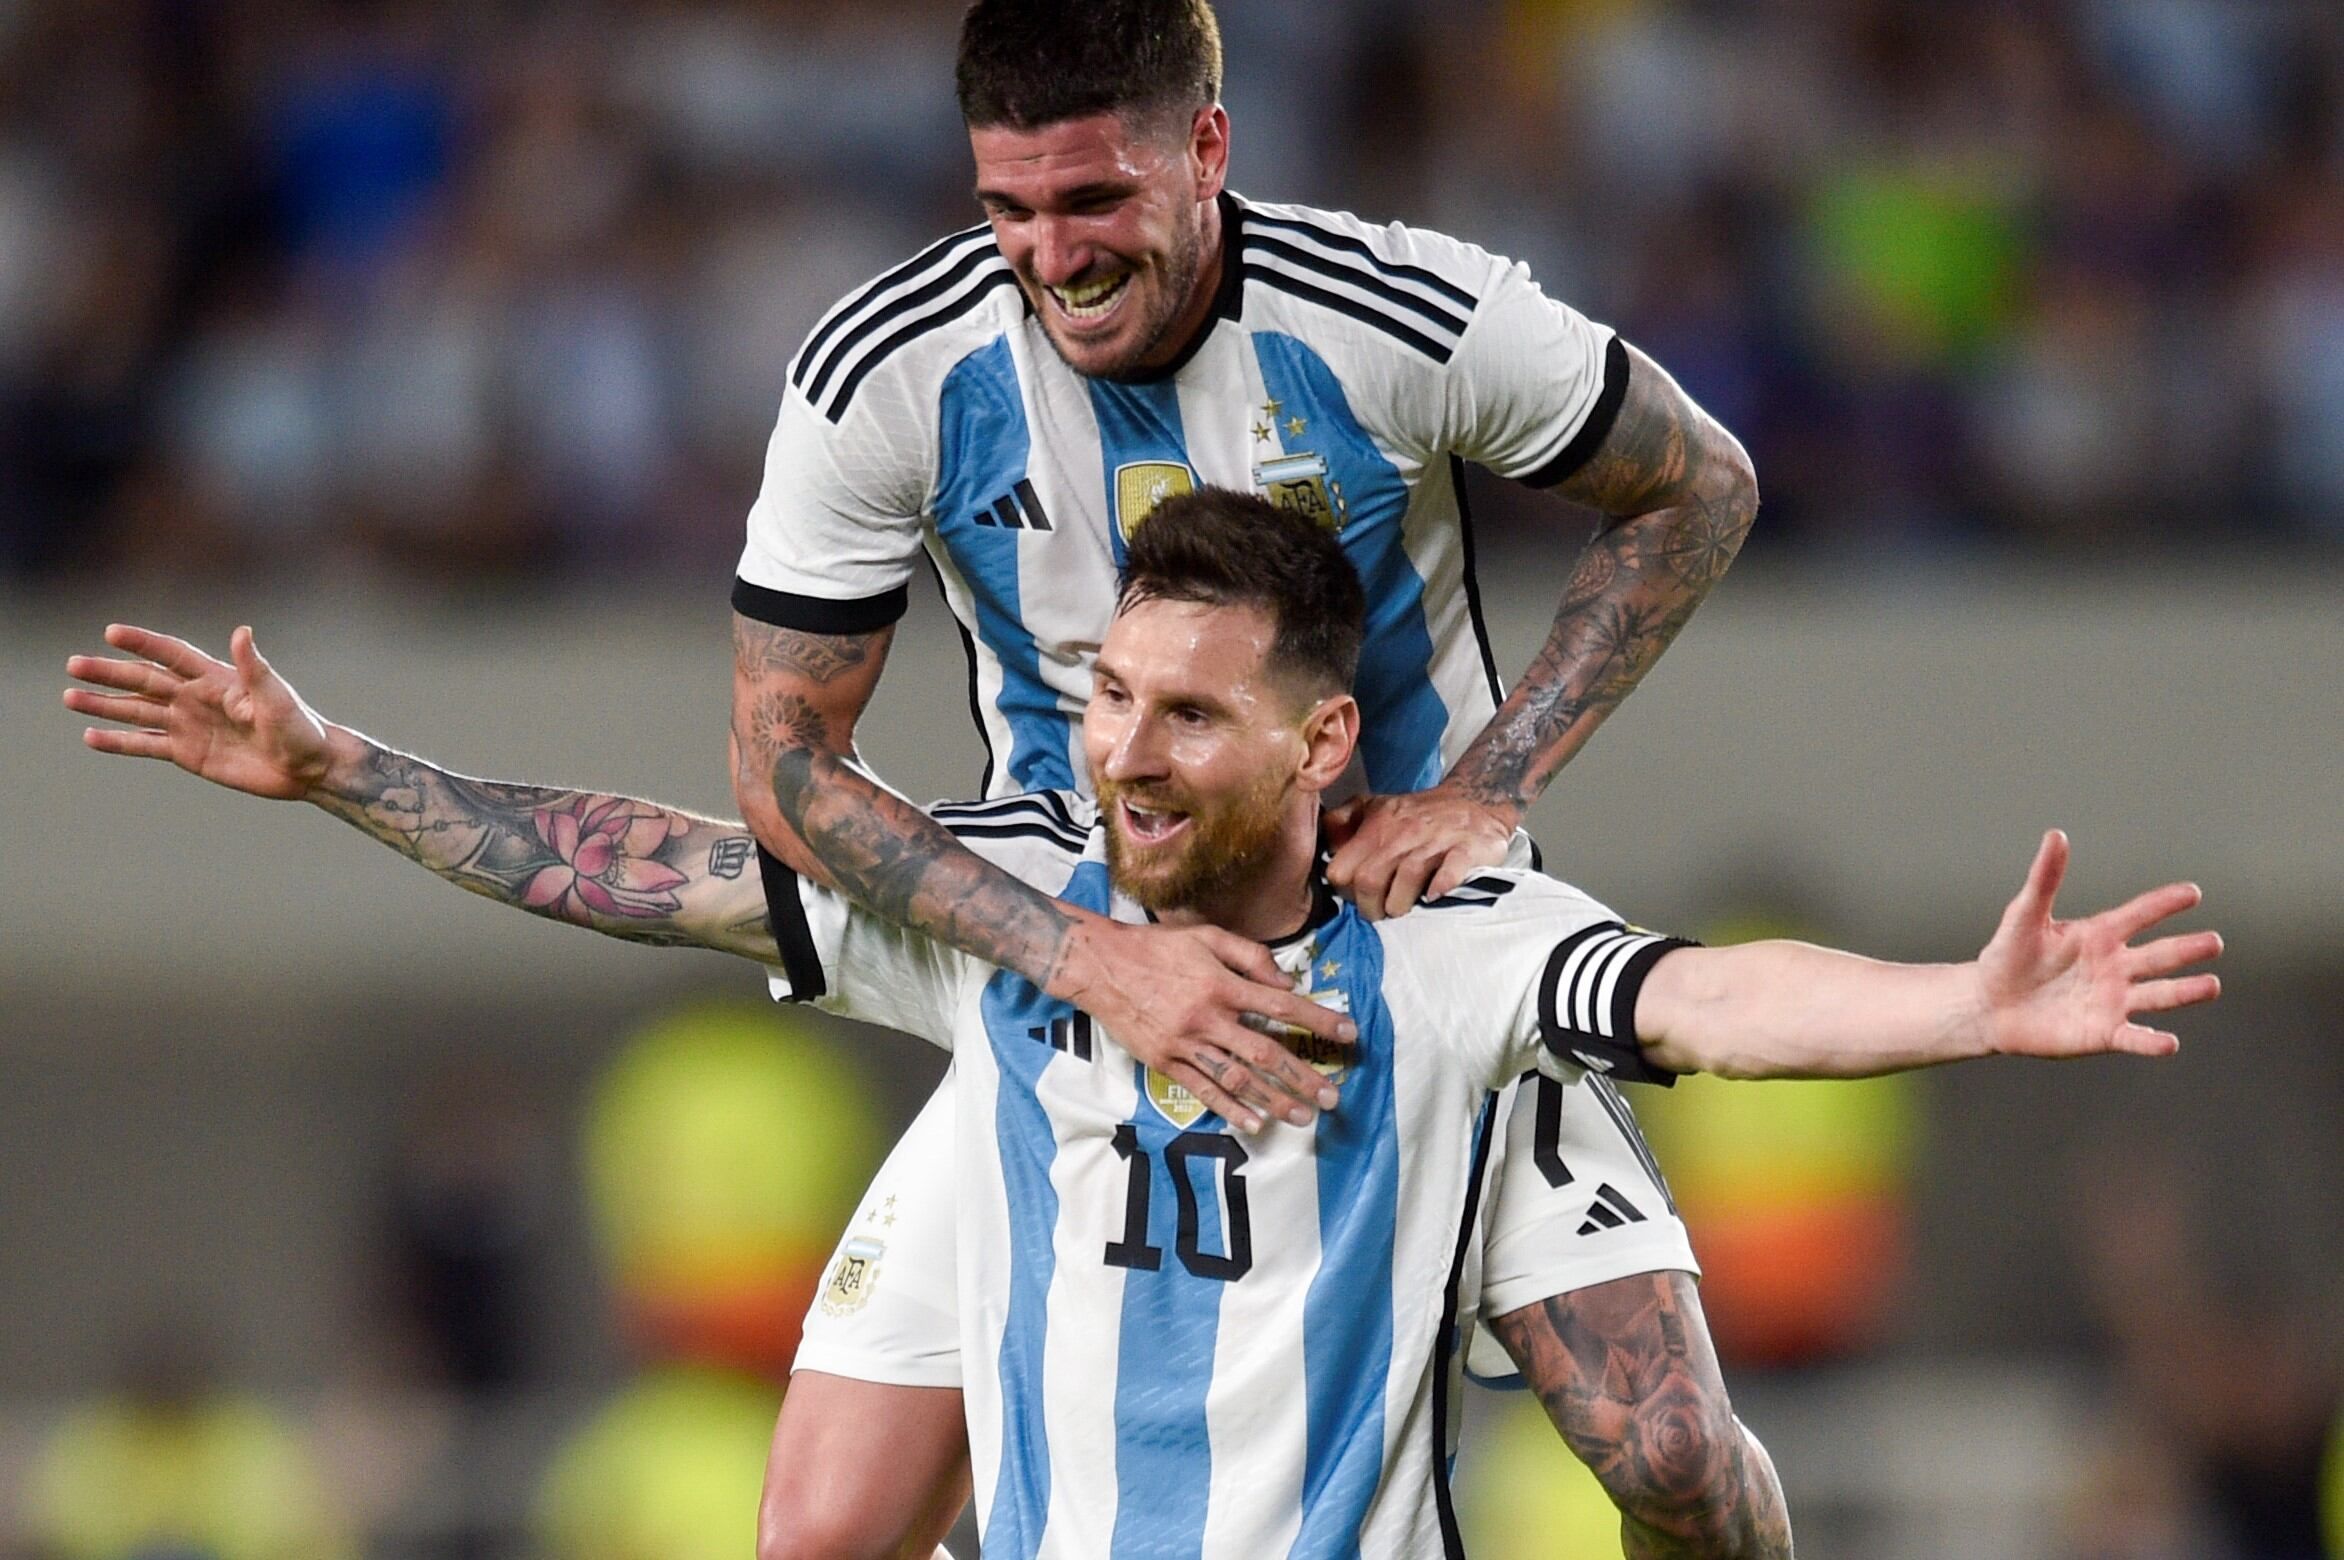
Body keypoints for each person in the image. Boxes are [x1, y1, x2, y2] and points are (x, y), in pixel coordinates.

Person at [69, 491, 2221, 1558]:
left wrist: (1966, 1005)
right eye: (1109, 696)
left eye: (1189, 713)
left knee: (1673, 1456)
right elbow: (651, 868)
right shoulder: (1006, 925)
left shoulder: (1442, 953)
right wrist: (338, 767)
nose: (1126, 750)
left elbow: (1702, 998)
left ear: (1321, 745)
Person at [726, 0, 1765, 1549]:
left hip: (1406, 973)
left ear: (1207, 146)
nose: (1054, 256)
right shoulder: (893, 370)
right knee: (819, 1533)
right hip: (1073, 978)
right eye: (1009, 208)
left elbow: (1698, 487)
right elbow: (781, 762)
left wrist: (1491, 781)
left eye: (1096, 200)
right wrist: (1082, 954)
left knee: (1676, 1459)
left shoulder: (1393, 317)